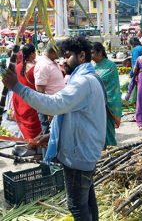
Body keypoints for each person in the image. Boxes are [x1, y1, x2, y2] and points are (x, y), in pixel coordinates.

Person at [2, 36, 106, 221]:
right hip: (84, 149)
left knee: (77, 206)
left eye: (67, 56)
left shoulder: (83, 82)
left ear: (81, 56)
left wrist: (17, 86)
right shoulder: (87, 78)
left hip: (78, 154)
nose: (63, 60)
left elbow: (53, 104)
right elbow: (76, 117)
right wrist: (52, 135)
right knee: (87, 202)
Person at [92, 42, 122, 146]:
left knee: (107, 129)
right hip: (95, 104)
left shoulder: (111, 66)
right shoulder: (92, 66)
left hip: (107, 104)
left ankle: (111, 148)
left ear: (100, 53)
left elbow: (112, 87)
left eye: (93, 53)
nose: (91, 56)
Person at [12, 44, 42, 140]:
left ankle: (29, 142)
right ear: (32, 54)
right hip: (30, 102)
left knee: (25, 125)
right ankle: (35, 144)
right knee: (35, 126)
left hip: (19, 100)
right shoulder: (35, 68)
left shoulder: (18, 66)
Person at [34, 43, 66, 135]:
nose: (60, 55)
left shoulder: (52, 62)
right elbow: (40, 92)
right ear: (52, 52)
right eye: (58, 53)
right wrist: (48, 112)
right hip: (50, 110)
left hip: (58, 107)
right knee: (50, 137)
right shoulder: (43, 65)